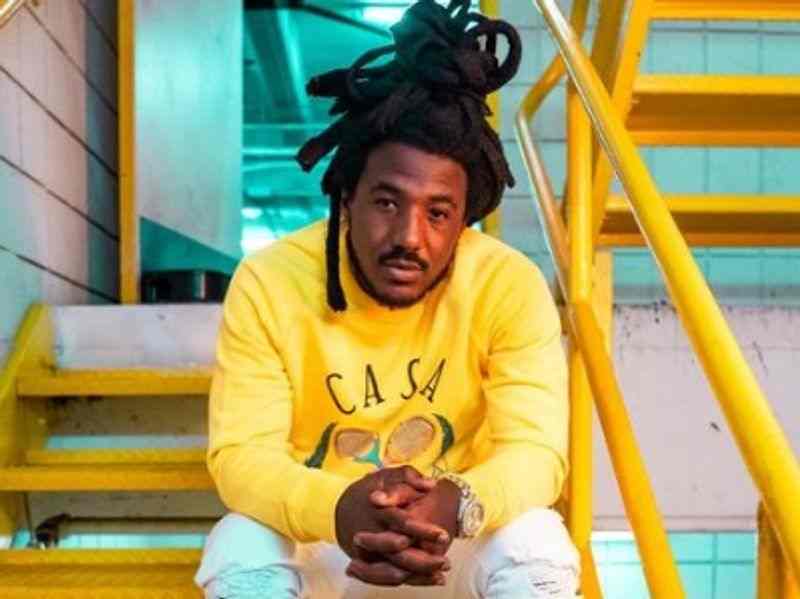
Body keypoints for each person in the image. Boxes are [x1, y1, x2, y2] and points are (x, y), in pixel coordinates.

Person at [194, 0, 579, 596]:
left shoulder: (507, 284)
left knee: (538, 543)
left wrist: (455, 503)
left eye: (438, 213)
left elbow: (537, 453)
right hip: (330, 540)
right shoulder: (270, 280)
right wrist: (340, 510)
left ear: (464, 219)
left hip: (452, 539)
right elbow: (241, 457)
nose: (409, 237)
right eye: (387, 202)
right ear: (347, 194)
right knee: (241, 544)